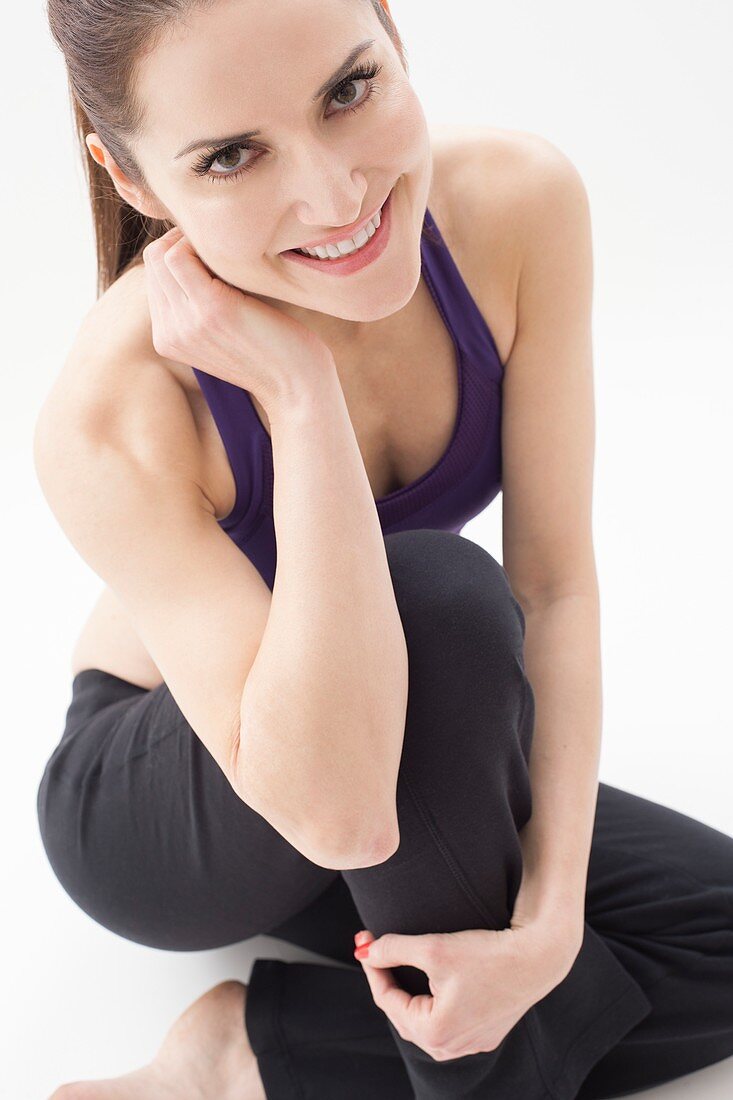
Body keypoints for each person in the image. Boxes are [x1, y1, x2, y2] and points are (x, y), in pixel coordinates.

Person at [34, 1, 733, 1098]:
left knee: (719, 933)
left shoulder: (515, 207)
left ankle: (247, 1053)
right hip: (185, 795)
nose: (334, 195)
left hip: (389, 723)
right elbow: (341, 807)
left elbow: (551, 587)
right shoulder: (112, 409)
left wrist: (547, 927)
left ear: (394, 39)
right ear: (135, 183)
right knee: (440, 597)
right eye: (228, 156)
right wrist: (299, 393)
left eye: (349, 90)